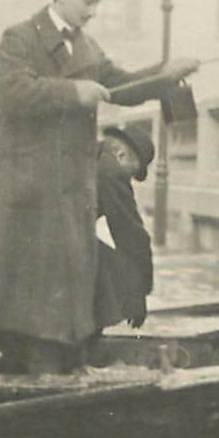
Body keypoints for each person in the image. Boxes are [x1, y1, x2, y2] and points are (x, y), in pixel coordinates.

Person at [0, 0, 198, 373]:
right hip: (26, 184)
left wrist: (164, 74)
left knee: (62, 277)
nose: (92, 11)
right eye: (86, 1)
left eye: (95, 3)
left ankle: (57, 358)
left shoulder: (87, 47)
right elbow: (13, 93)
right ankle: (17, 357)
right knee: (23, 279)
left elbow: (120, 86)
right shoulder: (20, 38)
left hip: (69, 184)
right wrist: (73, 93)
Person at [92, 126, 155, 336]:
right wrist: (138, 289)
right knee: (112, 269)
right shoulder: (111, 170)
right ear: (121, 154)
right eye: (132, 172)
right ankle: (83, 343)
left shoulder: (94, 154)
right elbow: (130, 233)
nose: (128, 180)